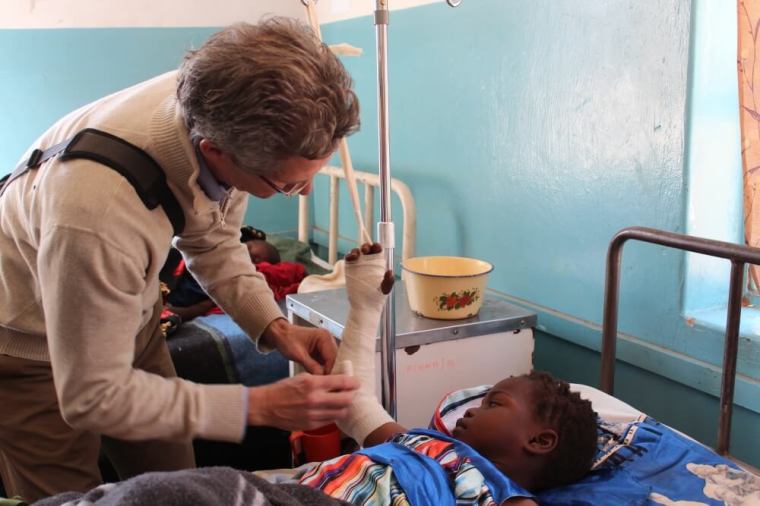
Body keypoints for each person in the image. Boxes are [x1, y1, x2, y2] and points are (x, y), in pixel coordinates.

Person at [0, 18, 360, 502]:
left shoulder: (220, 99)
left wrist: (277, 328)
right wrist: (257, 405)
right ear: (216, 151)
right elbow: (91, 397)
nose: (305, 192)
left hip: (132, 314)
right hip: (28, 339)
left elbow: (212, 240)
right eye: (287, 184)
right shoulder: (94, 212)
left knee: (176, 484)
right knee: (67, 495)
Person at [33, 244, 599, 506]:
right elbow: (356, 405)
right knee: (167, 493)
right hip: (294, 493)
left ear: (539, 441)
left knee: (172, 493)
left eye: (495, 404)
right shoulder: (424, 443)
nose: (471, 406)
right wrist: (364, 309)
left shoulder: (501, 495)